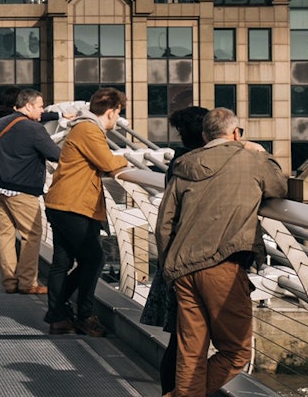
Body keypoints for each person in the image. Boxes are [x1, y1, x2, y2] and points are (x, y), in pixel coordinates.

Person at [156, 107, 287, 397]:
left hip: (182, 270)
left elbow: (164, 223)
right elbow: (279, 187)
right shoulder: (251, 160)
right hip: (223, 267)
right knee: (236, 351)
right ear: (236, 133)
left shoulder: (184, 164)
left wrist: (168, 266)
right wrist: (259, 151)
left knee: (190, 355)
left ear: (204, 136)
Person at [44, 87, 131, 336]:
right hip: (74, 205)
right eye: (118, 113)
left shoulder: (81, 127)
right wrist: (124, 160)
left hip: (62, 202)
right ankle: (82, 316)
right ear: (112, 111)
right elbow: (108, 163)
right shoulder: (89, 129)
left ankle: (58, 316)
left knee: (62, 261)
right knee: (94, 259)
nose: (117, 118)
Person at [141, 105, 209, 397]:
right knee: (189, 340)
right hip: (194, 259)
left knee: (180, 339)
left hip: (174, 257)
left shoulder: (178, 161)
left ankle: (171, 390)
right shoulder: (200, 165)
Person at [0, 88, 61, 295]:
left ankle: (9, 282)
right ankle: (27, 283)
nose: (42, 110)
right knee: (31, 233)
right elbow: (56, 155)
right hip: (20, 190)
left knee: (5, 233)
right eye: (41, 106)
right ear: (28, 105)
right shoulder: (33, 129)